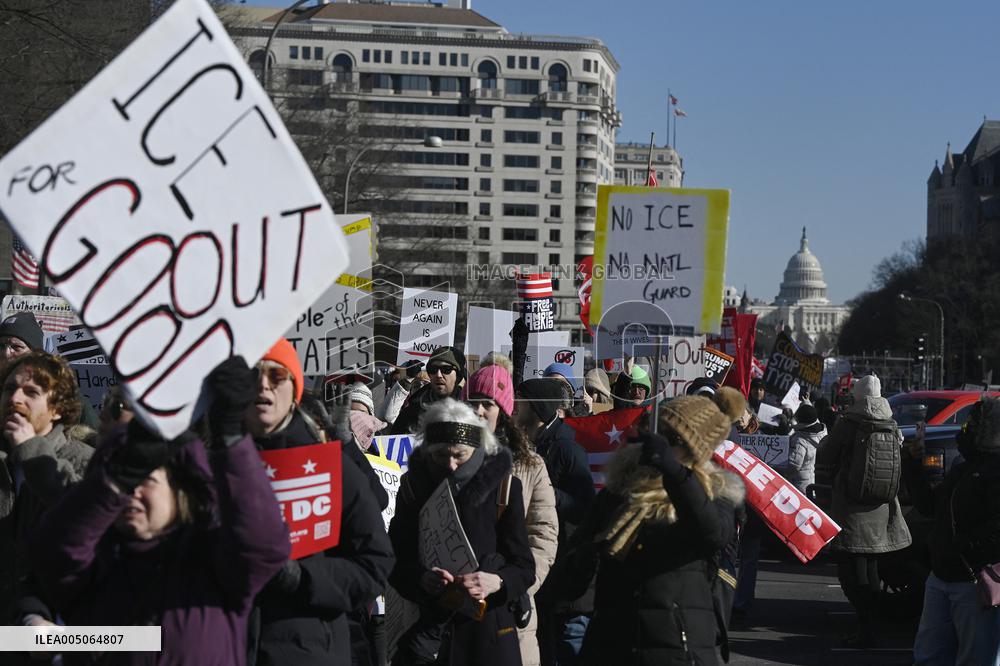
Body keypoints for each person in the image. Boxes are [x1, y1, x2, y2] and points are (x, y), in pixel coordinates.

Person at [29, 356, 289, 665]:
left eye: (147, 479)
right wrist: (116, 478)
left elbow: (264, 545)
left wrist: (231, 435)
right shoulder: (94, 565)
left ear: (179, 488)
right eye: (127, 481)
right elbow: (53, 552)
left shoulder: (215, 560)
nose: (132, 492)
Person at [548, 387, 747, 665]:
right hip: (613, 644)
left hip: (677, 645)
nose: (660, 442)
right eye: (658, 432)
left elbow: (713, 534)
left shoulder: (717, 492)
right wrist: (584, 561)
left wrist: (675, 475)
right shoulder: (620, 490)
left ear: (695, 449)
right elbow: (574, 558)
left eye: (672, 439)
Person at [246, 338, 395, 666]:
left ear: (295, 386)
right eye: (251, 376)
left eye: (276, 376)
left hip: (309, 651)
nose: (263, 386)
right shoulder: (212, 466)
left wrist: (300, 577)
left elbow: (375, 564)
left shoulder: (332, 465)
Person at [389, 398, 535, 666]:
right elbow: (396, 560)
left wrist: (496, 582)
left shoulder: (503, 487)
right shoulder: (412, 488)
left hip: (487, 637)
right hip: (429, 638)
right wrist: (421, 579)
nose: (451, 465)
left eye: (460, 455)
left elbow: (524, 566)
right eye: (441, 455)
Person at [466, 365, 558, 666]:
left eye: (487, 404)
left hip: (508, 607)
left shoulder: (529, 465)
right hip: (459, 603)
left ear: (502, 411)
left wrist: (512, 584)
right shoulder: (448, 458)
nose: (478, 411)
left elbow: (543, 536)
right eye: (472, 402)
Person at [816, 375, 911, 647]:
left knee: (854, 569)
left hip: (852, 506)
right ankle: (871, 625)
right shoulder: (890, 423)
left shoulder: (850, 422)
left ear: (857, 395)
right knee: (871, 567)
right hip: (882, 505)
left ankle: (866, 626)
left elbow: (827, 455)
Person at [0, 351, 93, 628]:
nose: (15, 399)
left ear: (58, 409)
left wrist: (30, 450)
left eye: (31, 392)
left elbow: (83, 519)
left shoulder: (84, 460)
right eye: (9, 389)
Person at [904, 399, 1000, 665]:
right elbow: (931, 506)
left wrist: (965, 544)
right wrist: (913, 464)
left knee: (975, 656)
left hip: (974, 578)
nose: (966, 428)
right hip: (944, 574)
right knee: (930, 653)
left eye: (974, 424)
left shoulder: (992, 470)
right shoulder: (964, 467)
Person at [513, 378, 595, 666]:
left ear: (537, 408)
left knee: (567, 653)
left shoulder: (566, 449)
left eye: (520, 399)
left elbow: (585, 507)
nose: (514, 405)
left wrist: (543, 493)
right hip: (547, 577)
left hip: (568, 581)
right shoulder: (531, 444)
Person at [390, 347, 466, 435]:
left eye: (446, 369)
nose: (438, 375)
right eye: (433, 369)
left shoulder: (472, 411)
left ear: (459, 375)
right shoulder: (412, 412)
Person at [786, 402, 827, 494]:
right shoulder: (822, 432)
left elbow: (793, 466)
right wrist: (807, 403)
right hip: (812, 482)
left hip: (798, 486)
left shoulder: (800, 440)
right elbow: (810, 415)